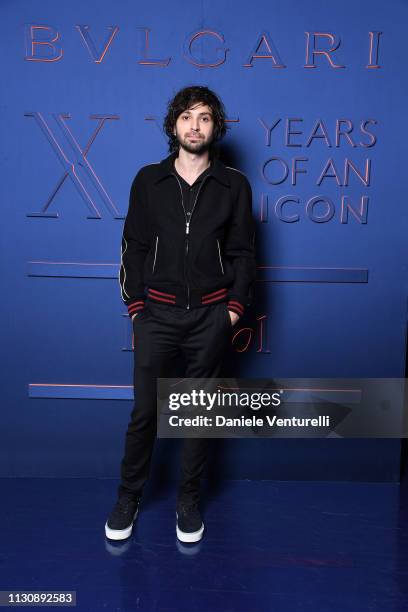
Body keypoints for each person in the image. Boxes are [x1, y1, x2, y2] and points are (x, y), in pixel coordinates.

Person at [105, 85, 256, 543]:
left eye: (205, 117)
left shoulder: (234, 185)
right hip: (157, 317)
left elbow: (244, 254)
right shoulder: (147, 180)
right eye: (187, 116)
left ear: (216, 127)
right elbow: (133, 246)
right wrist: (136, 308)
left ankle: (189, 500)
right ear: (174, 125)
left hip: (210, 317)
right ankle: (129, 497)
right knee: (145, 413)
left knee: (198, 415)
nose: (195, 125)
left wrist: (232, 311)